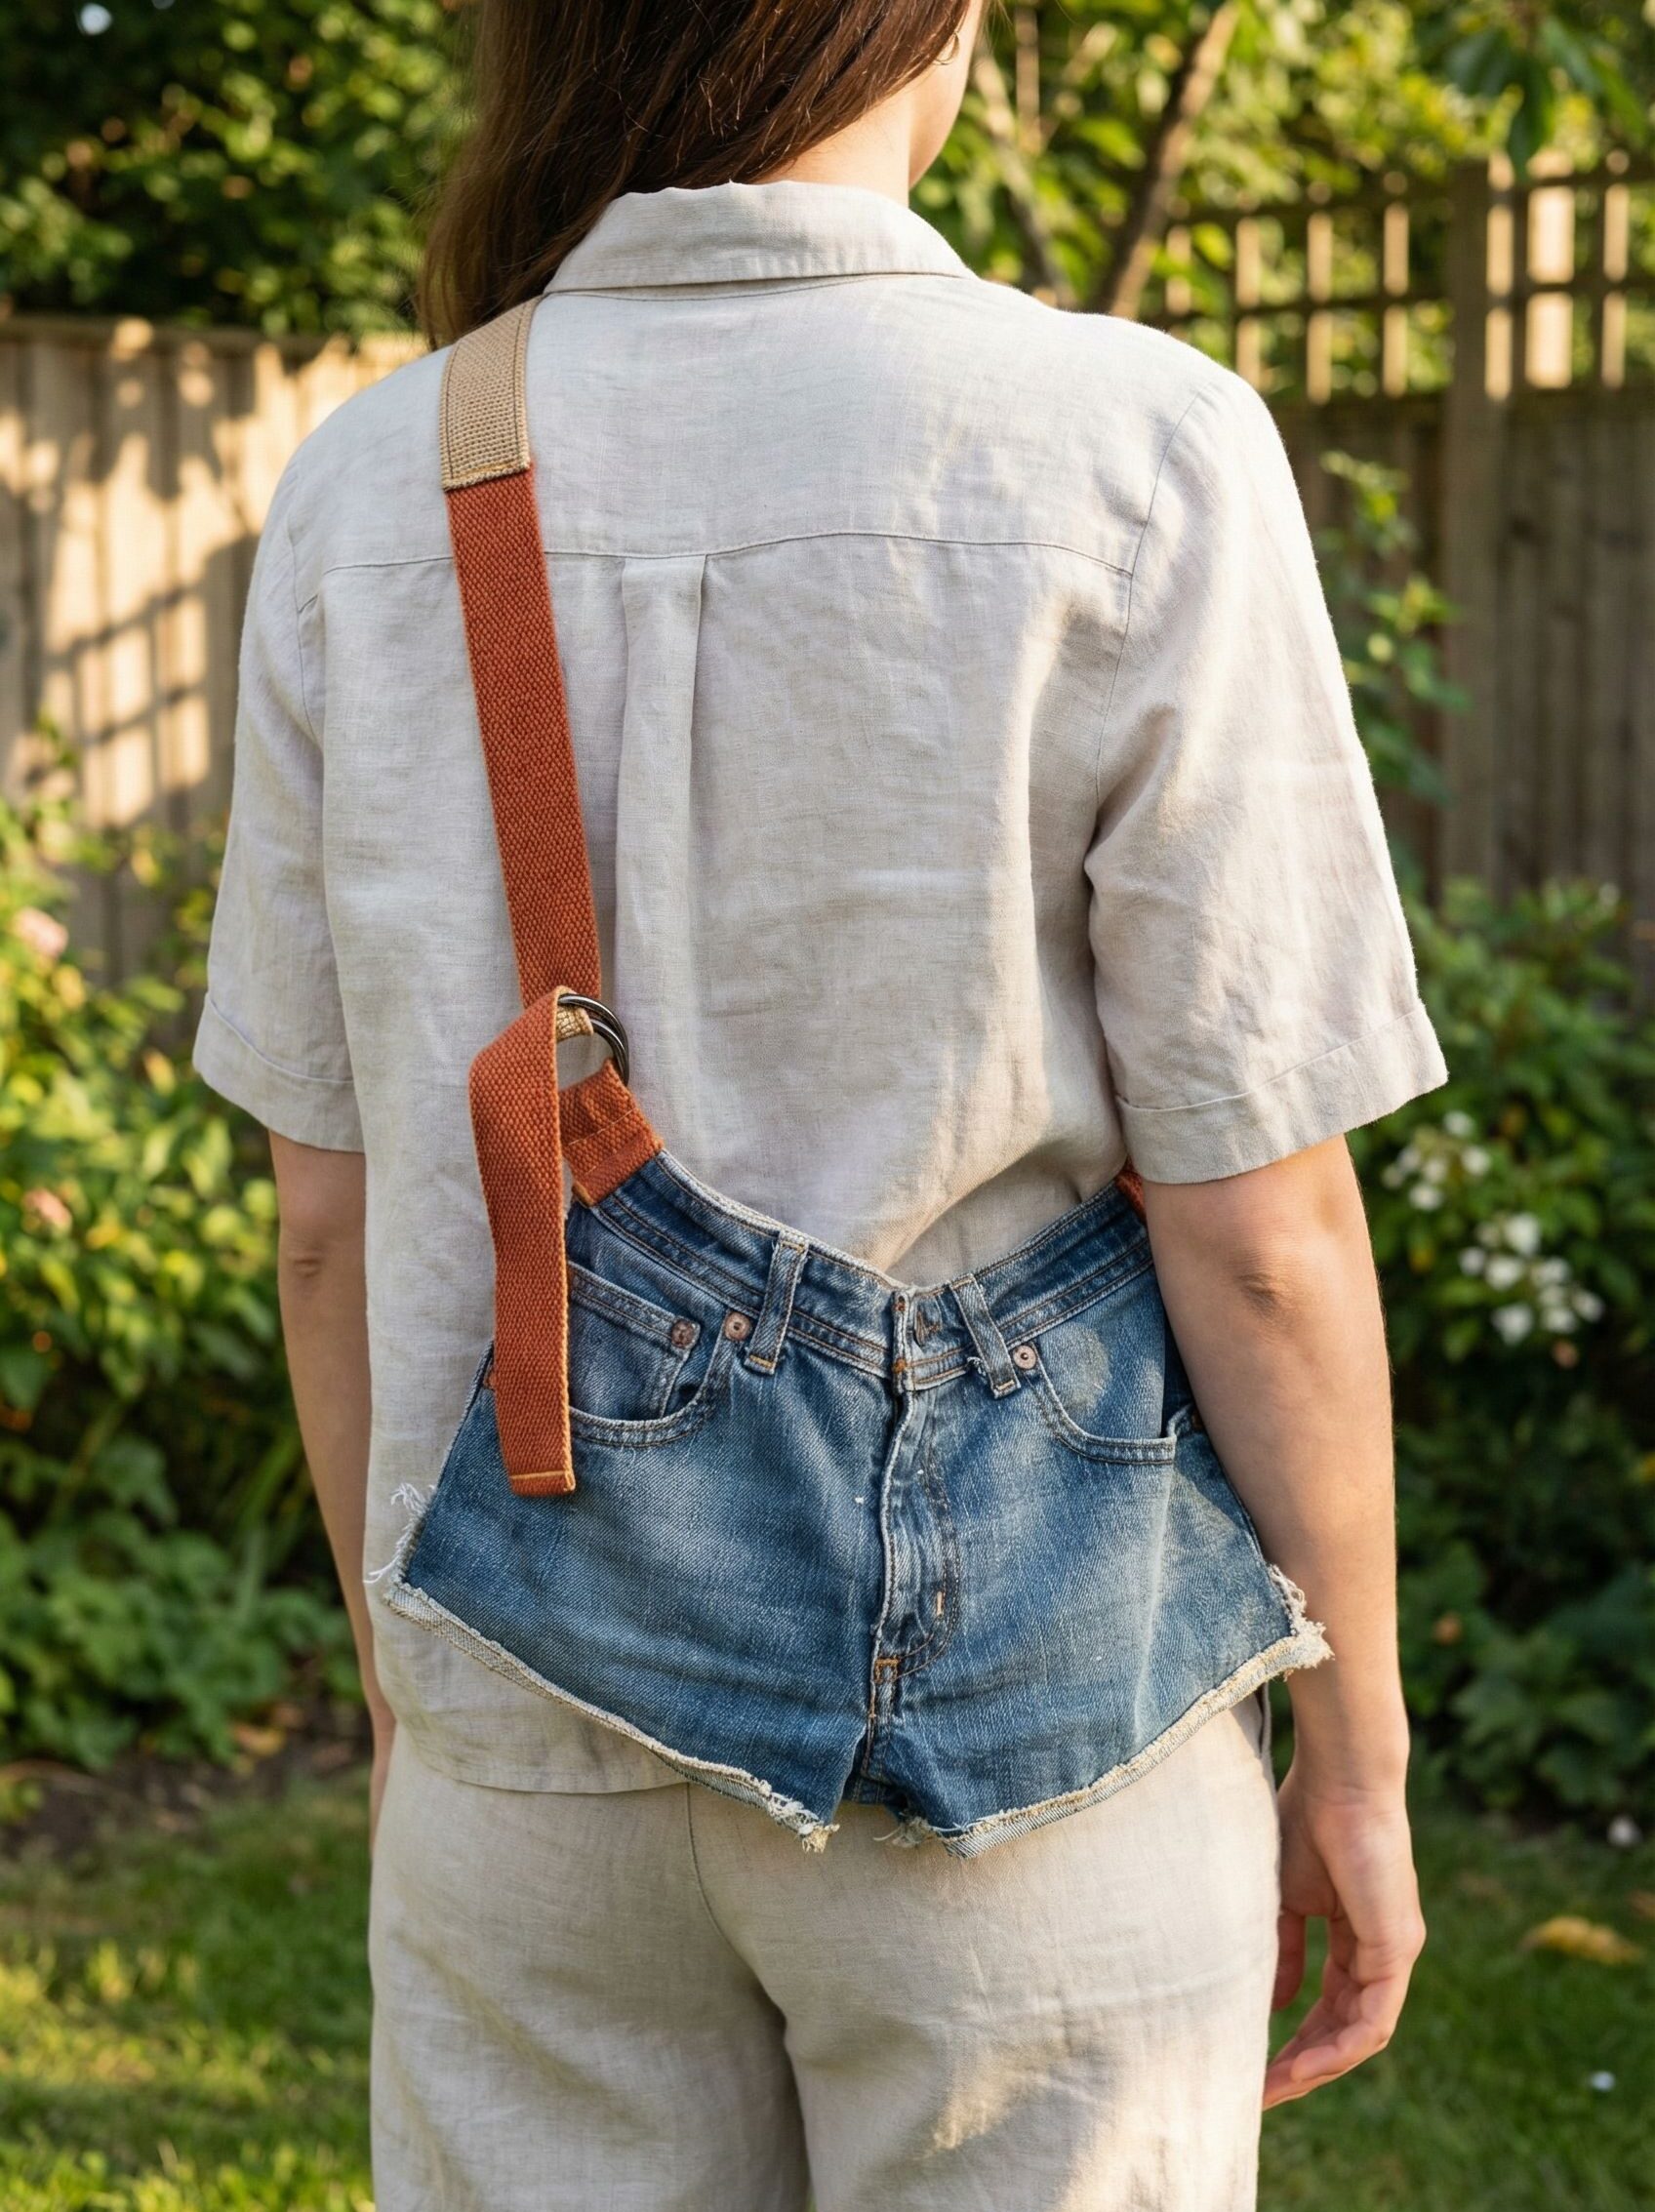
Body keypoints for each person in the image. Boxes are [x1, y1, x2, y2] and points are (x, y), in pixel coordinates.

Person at [194, 2, 1445, 2204]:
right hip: (1034, 1755)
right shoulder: (1138, 447)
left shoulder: (373, 484)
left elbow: (329, 1222)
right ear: (929, 29)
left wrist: (414, 1701)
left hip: (528, 1732)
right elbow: (1261, 1233)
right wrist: (1353, 1754)